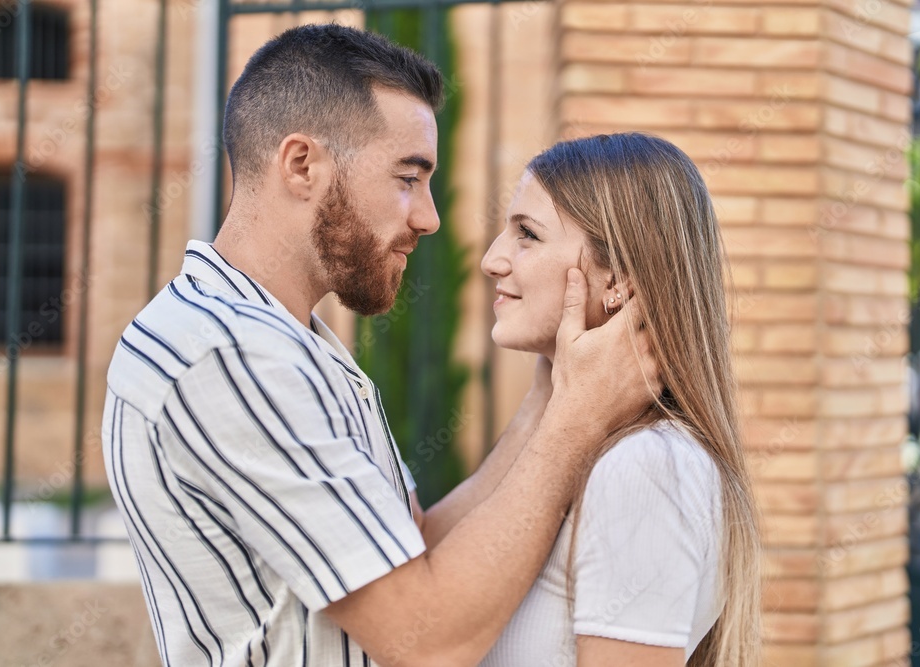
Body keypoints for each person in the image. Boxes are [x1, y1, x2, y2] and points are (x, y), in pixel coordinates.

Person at [101, 24, 660, 667]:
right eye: (407, 177)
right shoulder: (229, 356)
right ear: (302, 165)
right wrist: (577, 422)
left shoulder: (284, 339)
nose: (429, 216)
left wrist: (548, 395)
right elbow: (427, 639)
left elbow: (410, 549)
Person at [477, 133, 761, 666]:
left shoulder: (646, 467)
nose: (493, 259)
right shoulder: (603, 451)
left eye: (528, 236)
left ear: (618, 280)